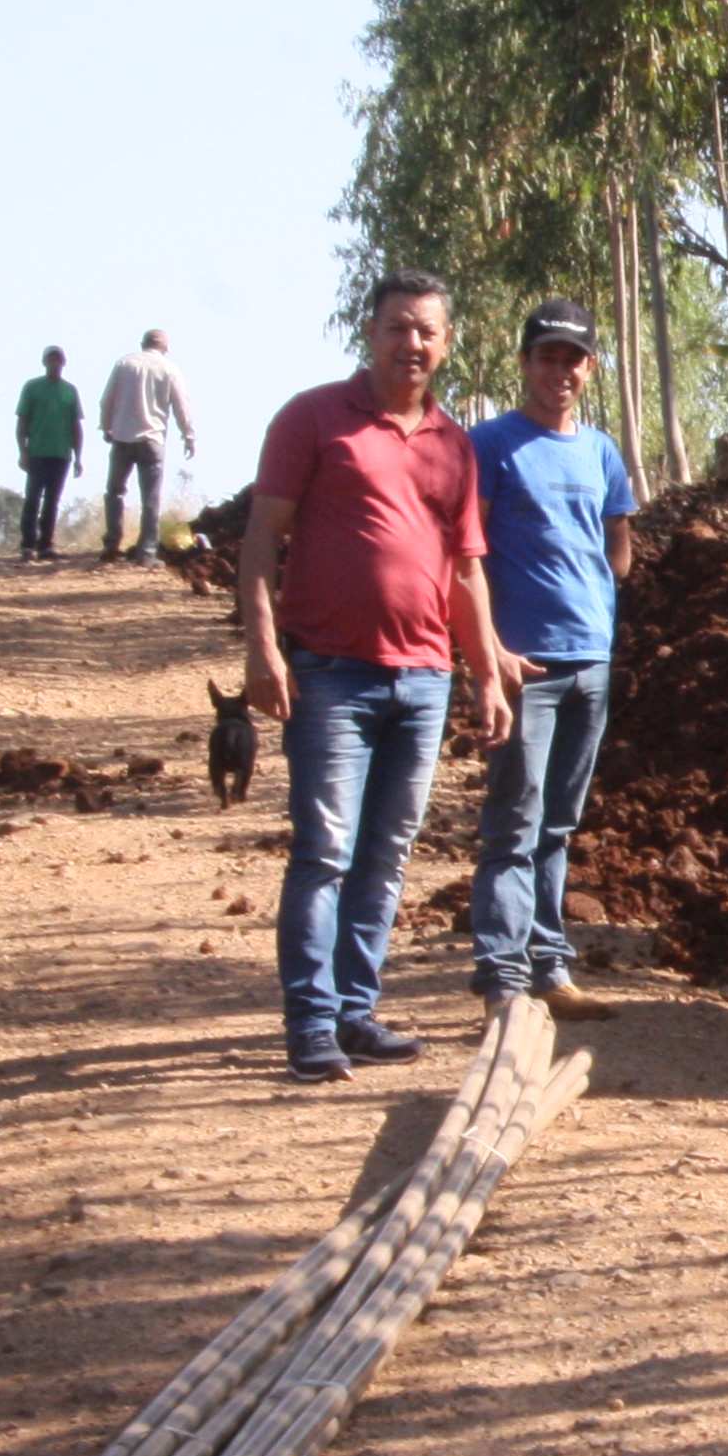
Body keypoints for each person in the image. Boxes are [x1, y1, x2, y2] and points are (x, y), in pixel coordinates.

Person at [238, 274, 517, 1084]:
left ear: (448, 343)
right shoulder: (313, 418)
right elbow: (263, 535)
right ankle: (311, 1023)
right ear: (370, 332)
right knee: (325, 849)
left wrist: (486, 674)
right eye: (398, 328)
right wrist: (264, 647)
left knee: (387, 854)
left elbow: (466, 570)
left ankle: (354, 1009)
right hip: (330, 671)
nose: (413, 344)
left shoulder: (452, 445)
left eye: (427, 331)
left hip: (423, 676)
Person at [468, 299, 640, 1022]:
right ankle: (502, 978)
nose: (560, 371)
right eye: (547, 356)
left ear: (589, 367)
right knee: (514, 819)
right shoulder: (490, 446)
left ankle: (550, 968)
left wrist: (594, 607)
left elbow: (619, 546)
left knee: (558, 824)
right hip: (524, 666)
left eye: (573, 358)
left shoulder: (601, 451)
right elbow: (463, 553)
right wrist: (489, 653)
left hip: (589, 663)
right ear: (525, 363)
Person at [95, 329, 198, 562]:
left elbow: (106, 400)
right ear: (165, 348)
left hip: (122, 437)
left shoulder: (124, 363)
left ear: (142, 344)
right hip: (152, 440)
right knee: (150, 498)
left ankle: (111, 544)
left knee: (115, 492)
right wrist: (188, 435)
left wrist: (106, 427)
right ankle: (147, 552)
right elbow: (182, 406)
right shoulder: (169, 369)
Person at [13, 347, 82, 563]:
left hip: (61, 453)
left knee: (52, 501)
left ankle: (46, 545)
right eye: (50, 359)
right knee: (33, 499)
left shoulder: (69, 391)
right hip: (37, 452)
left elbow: (76, 425)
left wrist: (78, 457)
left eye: (58, 359)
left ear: (64, 362)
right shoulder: (33, 387)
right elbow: (22, 421)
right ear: (44, 362)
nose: (54, 363)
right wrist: (23, 451)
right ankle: (27, 545)